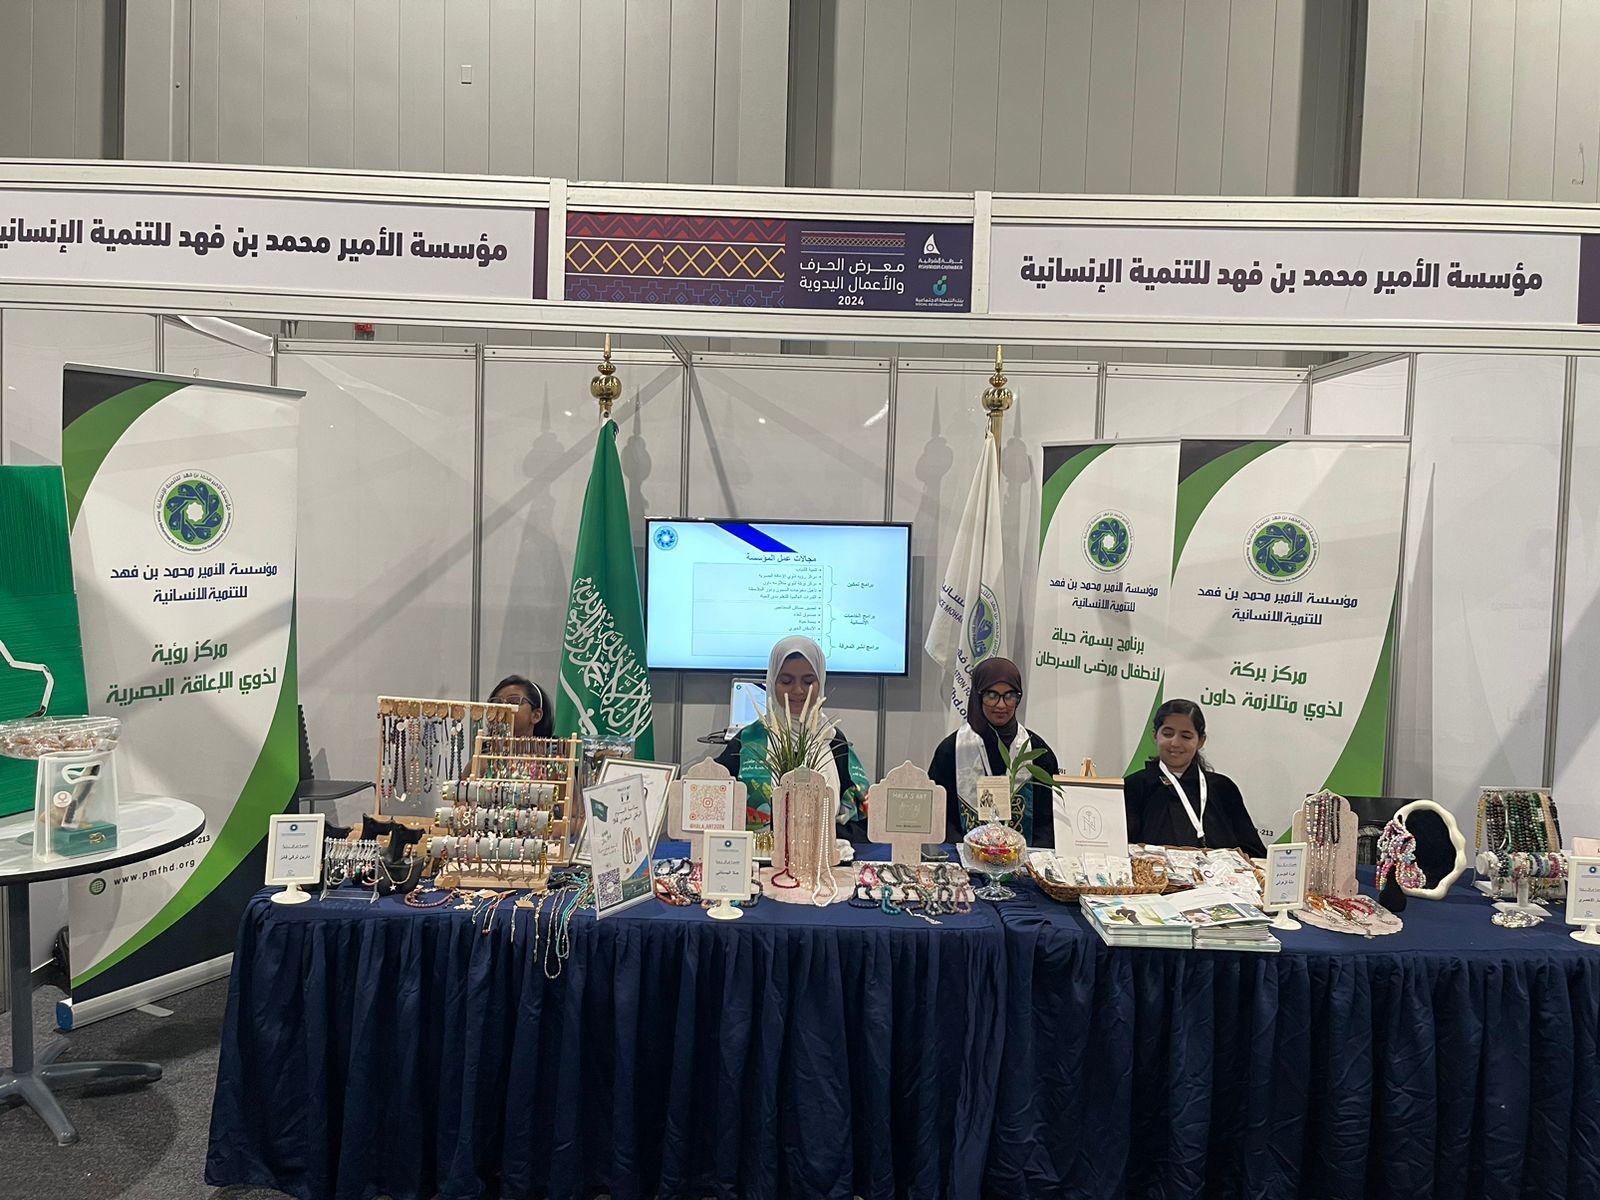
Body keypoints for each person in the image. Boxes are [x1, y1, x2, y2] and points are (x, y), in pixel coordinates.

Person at [715, 636, 870, 842]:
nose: (798, 690)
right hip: (760, 856)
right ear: (772, 682)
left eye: (808, 681)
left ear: (821, 682)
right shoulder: (748, 741)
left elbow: (862, 819)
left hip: (821, 855)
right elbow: (716, 803)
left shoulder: (833, 741)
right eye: (786, 681)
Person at [929, 657, 1058, 847]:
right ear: (978, 696)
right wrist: (969, 853)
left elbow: (1048, 822)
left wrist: (1026, 857)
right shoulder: (951, 750)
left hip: (1024, 861)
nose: (1001, 705)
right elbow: (938, 816)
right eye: (992, 695)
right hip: (963, 858)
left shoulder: (1038, 752)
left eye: (1009, 695)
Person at [1123, 698, 1266, 857]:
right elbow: (1120, 849)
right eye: (1168, 734)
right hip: (1156, 872)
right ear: (1155, 735)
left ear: (1200, 741)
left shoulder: (1223, 788)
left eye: (1186, 736)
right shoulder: (1133, 787)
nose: (1175, 743)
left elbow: (1254, 852)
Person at [487, 674, 555, 738]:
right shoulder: (482, 746)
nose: (503, 707)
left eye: (513, 702)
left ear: (536, 716)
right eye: (497, 703)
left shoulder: (555, 747)